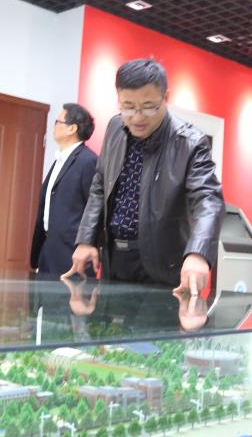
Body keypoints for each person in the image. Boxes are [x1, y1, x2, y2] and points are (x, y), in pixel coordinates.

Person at [66, 58, 224, 290]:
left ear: (166, 98)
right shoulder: (115, 128)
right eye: (128, 106)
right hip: (114, 257)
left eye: (149, 106)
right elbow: (100, 185)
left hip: (163, 265)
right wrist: (86, 239)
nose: (137, 117)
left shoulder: (189, 142)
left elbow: (208, 201)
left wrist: (198, 253)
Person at [30, 103, 98, 276]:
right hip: (47, 250)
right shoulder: (59, 160)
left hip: (71, 255)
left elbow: (95, 208)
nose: (53, 126)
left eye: (57, 122)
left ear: (72, 128)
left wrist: (86, 244)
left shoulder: (88, 161)